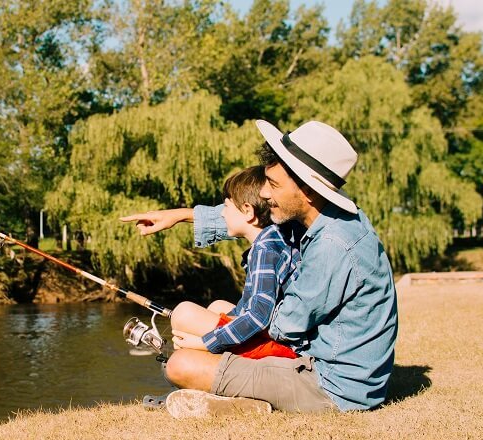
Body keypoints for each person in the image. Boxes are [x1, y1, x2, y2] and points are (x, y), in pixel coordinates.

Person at [121, 120, 398, 415]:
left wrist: (210, 339)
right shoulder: (325, 218)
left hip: (331, 386)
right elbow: (254, 221)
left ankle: (244, 404)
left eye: (274, 185)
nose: (264, 194)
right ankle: (239, 390)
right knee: (216, 309)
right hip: (321, 358)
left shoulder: (332, 245)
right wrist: (179, 215)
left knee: (181, 364)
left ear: (308, 190)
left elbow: (282, 327)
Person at [169, 165, 298, 362]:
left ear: (248, 211)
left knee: (183, 314)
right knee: (217, 306)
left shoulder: (265, 250)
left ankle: (207, 368)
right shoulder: (275, 237)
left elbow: (258, 316)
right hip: (276, 338)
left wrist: (205, 342)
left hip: (281, 351)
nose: (222, 214)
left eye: (226, 207)